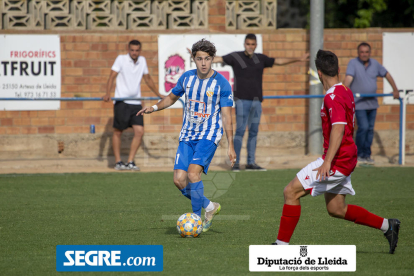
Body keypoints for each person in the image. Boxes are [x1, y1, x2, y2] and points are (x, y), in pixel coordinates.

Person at [272, 50, 400, 254]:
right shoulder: (346, 91)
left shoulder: (332, 96)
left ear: (319, 72)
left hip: (337, 161)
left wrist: (327, 162)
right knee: (336, 209)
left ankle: (280, 246)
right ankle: (388, 225)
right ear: (339, 70)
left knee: (291, 191)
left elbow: (339, 128)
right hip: (347, 157)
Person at [138, 39, 236, 232]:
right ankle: (209, 207)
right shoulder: (187, 78)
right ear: (193, 59)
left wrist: (231, 145)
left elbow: (226, 115)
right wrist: (154, 108)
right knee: (179, 180)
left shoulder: (222, 84)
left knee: (192, 174)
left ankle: (195, 221)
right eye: (199, 59)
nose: (204, 63)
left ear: (212, 59)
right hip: (187, 135)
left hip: (209, 135)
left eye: (207, 59)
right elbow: (171, 98)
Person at [199, 33, 308, 171]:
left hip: (256, 102)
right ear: (244, 44)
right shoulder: (236, 57)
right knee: (239, 131)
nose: (250, 47)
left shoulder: (261, 59)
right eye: (248, 44)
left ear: (256, 45)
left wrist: (298, 58)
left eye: (253, 44)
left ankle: (251, 163)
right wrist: (201, 57)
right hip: (241, 101)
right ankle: (235, 163)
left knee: (254, 132)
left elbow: (278, 61)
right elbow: (217, 59)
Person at [103, 40, 162, 171]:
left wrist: (158, 94)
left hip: (136, 102)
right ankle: (118, 162)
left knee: (139, 131)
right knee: (118, 131)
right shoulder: (121, 59)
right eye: (132, 50)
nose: (134, 53)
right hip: (121, 101)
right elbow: (112, 76)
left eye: (137, 50)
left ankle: (130, 161)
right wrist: (107, 93)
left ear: (140, 50)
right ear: (128, 49)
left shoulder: (142, 60)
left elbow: (148, 79)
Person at [343, 42, 399, 165]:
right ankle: (358, 154)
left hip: (372, 103)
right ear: (358, 53)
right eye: (362, 52)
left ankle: (367, 155)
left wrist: (395, 89)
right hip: (359, 103)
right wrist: (343, 92)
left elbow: (387, 74)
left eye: (366, 52)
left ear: (370, 53)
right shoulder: (353, 63)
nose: (364, 54)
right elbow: (349, 78)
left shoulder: (375, 64)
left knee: (369, 129)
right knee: (363, 127)